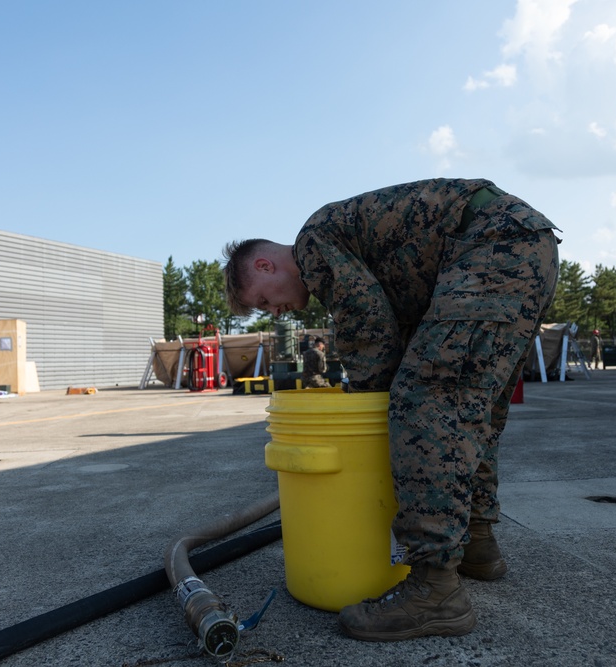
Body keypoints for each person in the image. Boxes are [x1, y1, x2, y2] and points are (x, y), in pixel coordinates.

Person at [223, 178, 559, 641]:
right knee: (470, 408)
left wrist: (368, 394)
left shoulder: (312, 243)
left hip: (491, 250)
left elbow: (366, 322)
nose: (275, 312)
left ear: (264, 264)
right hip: (520, 248)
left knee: (423, 406)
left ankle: (436, 590)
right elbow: (393, 320)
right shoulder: (350, 242)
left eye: (264, 299)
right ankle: (477, 543)